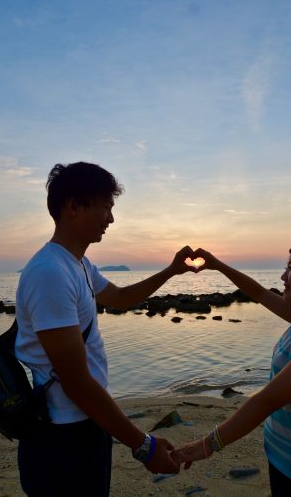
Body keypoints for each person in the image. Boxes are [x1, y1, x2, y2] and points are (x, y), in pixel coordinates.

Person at [15, 162, 194, 496]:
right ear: (73, 206)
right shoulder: (49, 273)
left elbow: (122, 298)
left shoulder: (78, 264)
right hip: (60, 437)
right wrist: (143, 446)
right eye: (106, 207)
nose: (110, 219)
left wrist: (171, 271)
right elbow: (76, 383)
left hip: (85, 423)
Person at [172, 241, 291, 496]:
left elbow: (265, 402)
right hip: (284, 460)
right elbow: (258, 293)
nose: (283, 276)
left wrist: (206, 446)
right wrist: (216, 265)